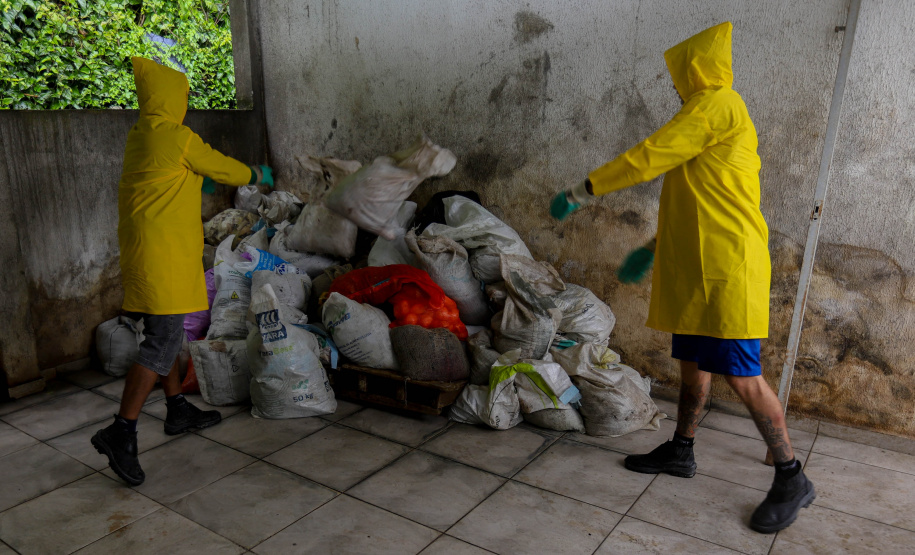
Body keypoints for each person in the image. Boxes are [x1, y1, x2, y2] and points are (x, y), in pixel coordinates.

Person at [550, 22, 814, 533]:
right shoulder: (703, 116)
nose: (674, 84)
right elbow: (695, 200)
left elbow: (650, 155)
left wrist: (585, 190)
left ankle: (791, 476)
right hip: (699, 269)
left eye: (678, 74)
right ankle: (681, 450)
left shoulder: (719, 105)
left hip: (729, 269)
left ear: (696, 70)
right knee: (693, 365)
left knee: (742, 373)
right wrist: (652, 249)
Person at [92, 57, 274, 486]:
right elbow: (220, 166)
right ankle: (121, 431)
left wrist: (199, 182)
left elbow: (175, 177)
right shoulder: (176, 135)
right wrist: (254, 173)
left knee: (166, 330)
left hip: (146, 255)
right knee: (161, 340)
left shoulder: (142, 136)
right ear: (173, 98)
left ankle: (177, 410)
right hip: (164, 257)